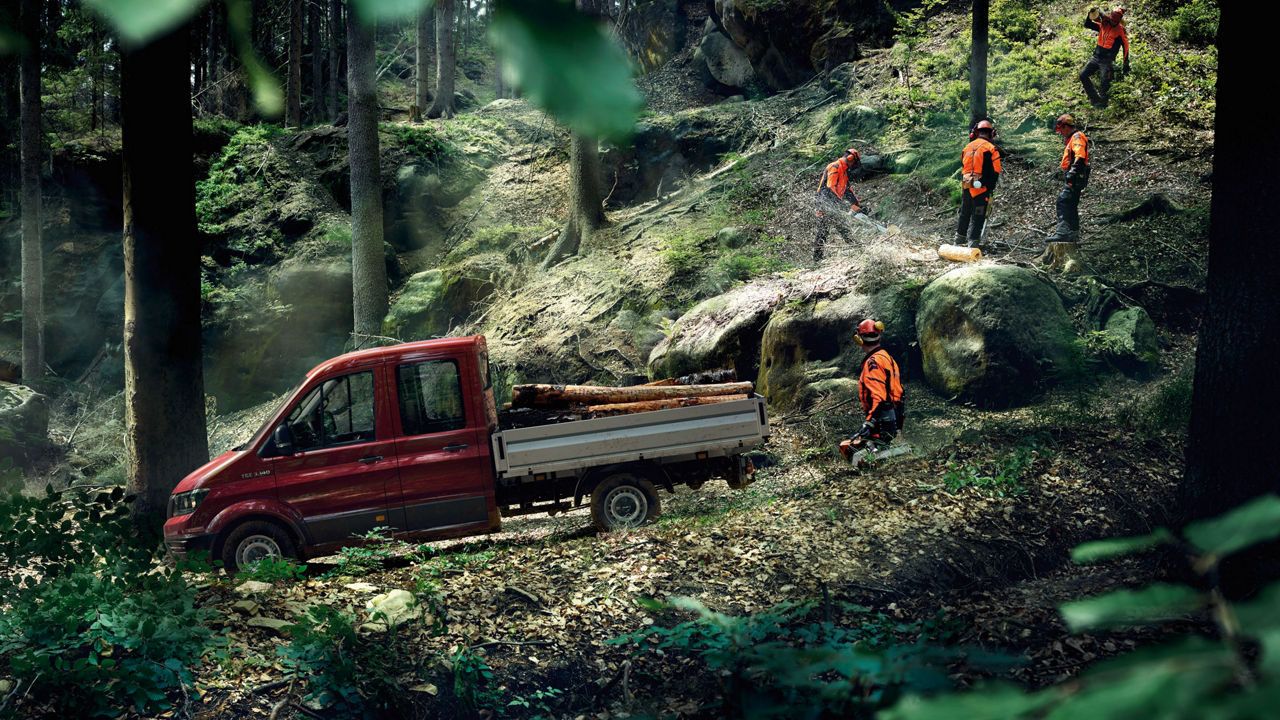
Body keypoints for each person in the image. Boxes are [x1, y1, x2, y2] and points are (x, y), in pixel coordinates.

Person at [839, 319, 904, 460]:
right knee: (856, 445)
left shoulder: (873, 362)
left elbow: (879, 397)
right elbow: (898, 393)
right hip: (893, 416)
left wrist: (869, 422)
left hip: (881, 419)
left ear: (859, 339)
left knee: (852, 452)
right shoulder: (888, 358)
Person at [955, 119, 1002, 248]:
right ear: (990, 133)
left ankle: (959, 239)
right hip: (981, 187)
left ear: (976, 132)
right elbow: (996, 170)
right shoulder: (991, 148)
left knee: (965, 212)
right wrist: (990, 186)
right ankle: (973, 243)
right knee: (979, 214)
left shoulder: (967, 147)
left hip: (966, 184)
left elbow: (964, 165)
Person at [812, 148, 863, 261]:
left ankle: (817, 259)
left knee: (824, 231)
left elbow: (847, 191)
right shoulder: (834, 166)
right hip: (824, 202)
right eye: (853, 162)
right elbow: (831, 188)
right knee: (838, 227)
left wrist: (857, 205)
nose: (853, 165)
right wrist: (845, 206)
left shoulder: (844, 172)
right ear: (850, 158)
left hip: (831, 203)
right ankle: (860, 250)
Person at [1047, 114, 1090, 243]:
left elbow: (1080, 156)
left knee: (1063, 201)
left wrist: (1073, 171)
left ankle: (1063, 232)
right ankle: (1073, 233)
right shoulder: (1073, 138)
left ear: (1066, 126)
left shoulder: (1076, 137)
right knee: (1071, 205)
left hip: (1076, 174)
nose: (1061, 133)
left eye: (1061, 129)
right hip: (1076, 174)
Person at [1080, 6, 1130, 108]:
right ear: (1110, 17)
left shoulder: (1120, 31)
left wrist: (1126, 62)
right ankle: (1095, 99)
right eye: (1112, 20)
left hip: (1107, 60)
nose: (1113, 22)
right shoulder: (1104, 23)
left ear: (1119, 21)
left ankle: (1103, 105)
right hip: (1096, 57)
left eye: (1115, 21)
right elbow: (1087, 24)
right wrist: (1090, 13)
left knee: (1105, 82)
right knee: (1083, 75)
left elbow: (1126, 47)